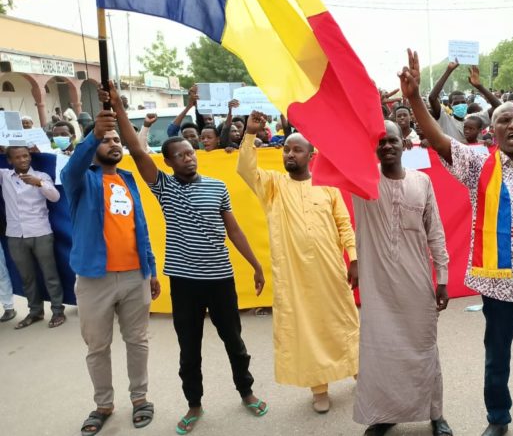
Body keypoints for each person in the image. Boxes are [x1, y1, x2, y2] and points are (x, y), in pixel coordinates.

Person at [400, 49, 513, 436]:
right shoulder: (478, 164)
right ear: (491, 131)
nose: (512, 124)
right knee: (497, 357)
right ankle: (498, 420)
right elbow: (437, 138)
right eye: (503, 120)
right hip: (500, 286)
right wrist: (415, 98)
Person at [99, 82, 269, 434]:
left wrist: (255, 264)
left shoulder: (216, 187)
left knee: (234, 341)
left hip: (220, 278)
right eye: (181, 155)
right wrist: (116, 106)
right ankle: (194, 404)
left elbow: (234, 231)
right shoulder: (164, 187)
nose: (189, 157)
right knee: (188, 349)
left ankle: (247, 392)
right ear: (170, 161)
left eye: (191, 152)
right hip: (185, 283)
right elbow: (136, 148)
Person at [237, 112, 359, 414]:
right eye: (286, 149)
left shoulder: (328, 186)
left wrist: (354, 258)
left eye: (296, 150)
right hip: (294, 276)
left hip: (330, 270)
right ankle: (319, 388)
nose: (289, 154)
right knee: (306, 328)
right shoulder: (273, 186)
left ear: (311, 155)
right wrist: (250, 135)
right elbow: (245, 168)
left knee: (342, 321)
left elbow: (344, 224)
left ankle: (359, 370)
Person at [61, 109, 160, 436]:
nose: (114, 143)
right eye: (106, 139)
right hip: (94, 280)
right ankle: (103, 404)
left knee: (137, 341)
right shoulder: (80, 179)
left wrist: (152, 270)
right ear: (93, 145)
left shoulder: (128, 180)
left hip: (135, 276)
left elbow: (140, 228)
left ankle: (140, 398)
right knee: (97, 347)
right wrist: (93, 135)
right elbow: (73, 165)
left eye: (117, 139)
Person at [352, 119, 452, 436]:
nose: (386, 146)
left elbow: (435, 232)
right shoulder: (362, 181)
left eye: (392, 140)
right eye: (380, 141)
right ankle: (384, 414)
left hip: (417, 282)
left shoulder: (422, 182)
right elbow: (336, 149)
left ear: (404, 144)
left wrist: (443, 278)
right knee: (380, 351)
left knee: (424, 347)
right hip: (378, 285)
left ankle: (435, 413)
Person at [0, 146, 64, 329]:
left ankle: (58, 311)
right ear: (9, 160)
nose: (22, 160)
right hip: (15, 235)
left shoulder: (42, 176)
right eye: (17, 157)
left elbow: (55, 197)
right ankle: (35, 311)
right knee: (26, 276)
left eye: (25, 156)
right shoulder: (4, 175)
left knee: (50, 274)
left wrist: (39, 183)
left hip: (41, 232)